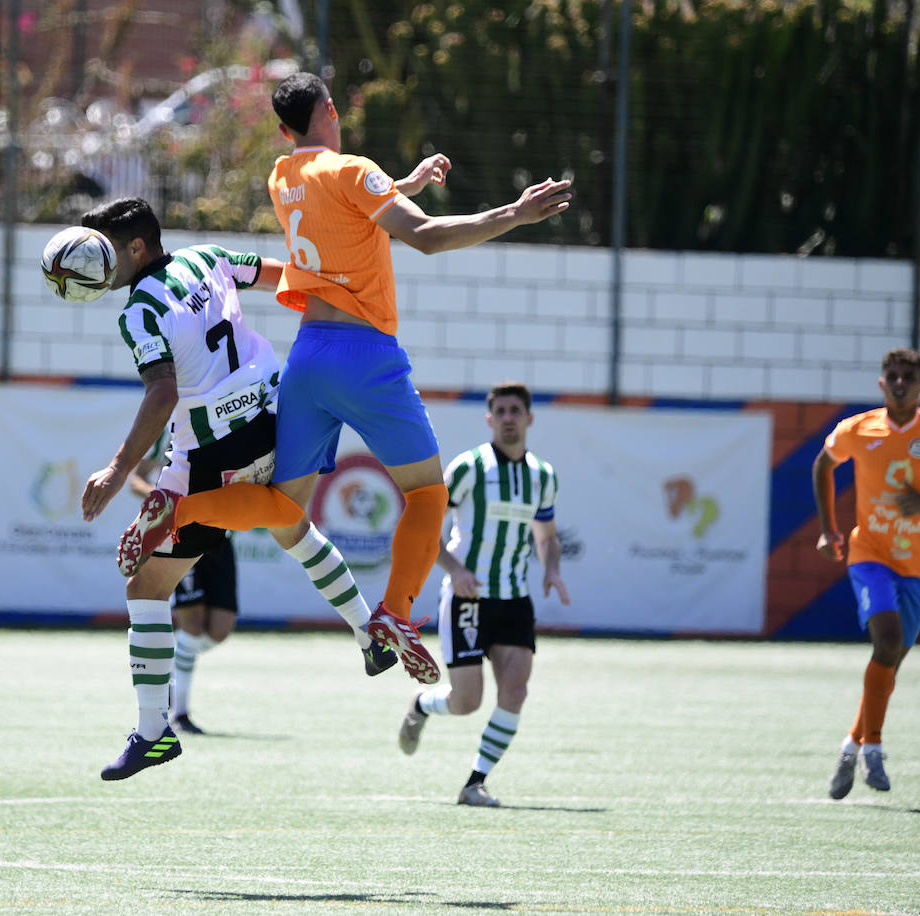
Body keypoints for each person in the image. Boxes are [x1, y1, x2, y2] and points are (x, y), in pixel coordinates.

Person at [118, 72, 573, 688]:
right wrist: (514, 214)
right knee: (426, 495)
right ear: (331, 109)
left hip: (308, 356)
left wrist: (400, 186)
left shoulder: (283, 177)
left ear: (283, 130)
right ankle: (396, 613)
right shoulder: (355, 170)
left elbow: (340, 221)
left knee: (284, 508)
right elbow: (428, 238)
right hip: (366, 357)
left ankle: (177, 505)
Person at [76, 198, 396, 781]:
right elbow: (283, 276)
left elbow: (163, 393)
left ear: (138, 249)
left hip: (211, 449)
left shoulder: (137, 312)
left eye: (105, 252)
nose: (97, 263)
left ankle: (152, 732)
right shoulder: (207, 258)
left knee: (146, 587)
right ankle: (368, 630)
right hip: (275, 417)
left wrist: (119, 469)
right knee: (291, 526)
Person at [813, 347, 920, 799]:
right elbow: (823, 466)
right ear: (881, 383)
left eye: (909, 376)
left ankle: (849, 746)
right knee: (886, 643)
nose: (900, 382)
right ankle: (873, 748)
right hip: (869, 553)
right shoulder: (859, 428)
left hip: (919, 566)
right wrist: (830, 529)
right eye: (892, 375)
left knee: (889, 662)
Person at [395, 382, 569, 807]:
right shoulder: (470, 467)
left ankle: (475, 782)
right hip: (467, 600)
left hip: (514, 600)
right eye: (501, 411)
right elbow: (423, 522)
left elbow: (545, 536)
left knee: (516, 691)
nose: (509, 417)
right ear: (490, 419)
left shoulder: (543, 477)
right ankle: (421, 704)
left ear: (530, 419)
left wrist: (551, 569)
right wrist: (454, 571)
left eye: (516, 410)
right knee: (466, 701)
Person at [127, 431, 238, 735]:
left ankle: (170, 675)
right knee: (191, 623)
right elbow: (136, 479)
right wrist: (163, 501)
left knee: (220, 630)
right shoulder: (168, 425)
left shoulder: (231, 417)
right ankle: (180, 712)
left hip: (220, 534)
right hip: (180, 534)